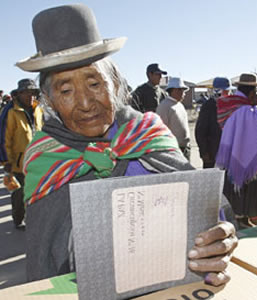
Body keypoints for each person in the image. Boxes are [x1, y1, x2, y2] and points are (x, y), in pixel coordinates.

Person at [16, 3, 237, 286]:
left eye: (95, 84)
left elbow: (206, 210)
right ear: (50, 102)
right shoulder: (45, 158)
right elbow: (44, 252)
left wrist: (218, 237)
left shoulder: (148, 133)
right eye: (66, 90)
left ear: (116, 85)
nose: (85, 103)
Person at [216, 73, 257, 228]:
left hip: (228, 157)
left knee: (234, 191)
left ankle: (240, 219)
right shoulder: (248, 112)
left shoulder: (226, 105)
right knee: (246, 189)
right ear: (252, 93)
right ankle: (242, 219)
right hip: (244, 161)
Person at [3, 79, 43, 228]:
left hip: (37, 160)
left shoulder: (38, 109)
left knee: (35, 192)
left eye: (33, 93)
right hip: (18, 162)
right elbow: (4, 138)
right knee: (19, 194)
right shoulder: (10, 111)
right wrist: (6, 161)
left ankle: (33, 218)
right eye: (27, 92)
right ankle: (18, 219)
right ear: (19, 94)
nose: (31, 96)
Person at [195, 77, 234, 168]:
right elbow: (200, 131)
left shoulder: (230, 106)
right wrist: (204, 152)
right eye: (226, 91)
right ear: (218, 91)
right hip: (212, 154)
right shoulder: (208, 106)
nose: (228, 93)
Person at [156, 77, 191, 160]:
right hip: (173, 151)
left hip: (185, 149)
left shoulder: (180, 105)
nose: (184, 93)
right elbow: (161, 131)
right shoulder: (164, 106)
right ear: (175, 90)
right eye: (181, 90)